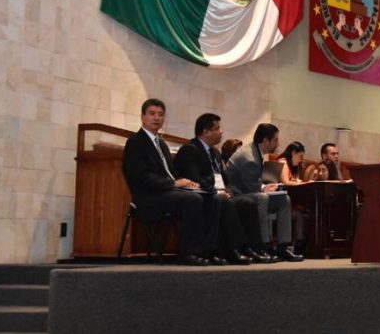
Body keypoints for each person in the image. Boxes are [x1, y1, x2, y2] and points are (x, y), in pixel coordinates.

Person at [121, 98, 212, 266]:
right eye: (152, 114)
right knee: (193, 200)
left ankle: (208, 250)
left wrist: (185, 182)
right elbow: (140, 177)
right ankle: (187, 253)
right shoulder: (135, 142)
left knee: (208, 197)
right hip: (148, 196)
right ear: (142, 117)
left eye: (160, 114)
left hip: (167, 192)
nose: (157, 118)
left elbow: (169, 173)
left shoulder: (161, 143)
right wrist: (173, 184)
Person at [173, 113, 270, 264]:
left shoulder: (215, 153)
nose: (221, 132)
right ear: (206, 132)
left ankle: (252, 248)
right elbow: (194, 178)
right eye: (217, 128)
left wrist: (228, 191)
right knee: (225, 203)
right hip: (204, 196)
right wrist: (216, 190)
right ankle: (233, 249)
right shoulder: (190, 150)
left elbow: (226, 179)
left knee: (248, 202)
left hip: (219, 193)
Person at [224, 123, 304, 262]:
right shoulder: (249, 157)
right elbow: (251, 188)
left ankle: (283, 246)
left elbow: (253, 183)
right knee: (263, 198)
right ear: (265, 141)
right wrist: (263, 188)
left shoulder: (256, 151)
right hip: (235, 194)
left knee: (284, 199)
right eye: (275, 140)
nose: (278, 144)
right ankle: (262, 245)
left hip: (248, 191)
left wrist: (265, 187)